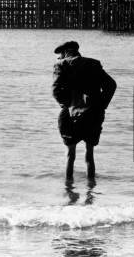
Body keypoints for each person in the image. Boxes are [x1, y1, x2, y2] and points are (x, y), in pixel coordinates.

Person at [52, 41, 116, 181]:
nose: (60, 57)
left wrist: (67, 105)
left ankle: (69, 191)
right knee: (89, 155)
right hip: (93, 113)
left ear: (66, 52)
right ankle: (90, 193)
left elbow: (56, 91)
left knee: (70, 155)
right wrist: (101, 105)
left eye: (61, 55)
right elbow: (111, 85)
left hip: (70, 114)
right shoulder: (94, 64)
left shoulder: (61, 65)